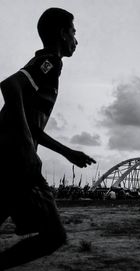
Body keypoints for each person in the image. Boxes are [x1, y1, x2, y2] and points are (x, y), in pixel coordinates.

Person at [0, 8, 96, 269]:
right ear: (63, 33)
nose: (76, 39)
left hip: (8, 157)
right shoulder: (50, 62)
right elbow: (10, 85)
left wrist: (66, 152)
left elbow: (30, 125)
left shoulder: (51, 64)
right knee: (53, 236)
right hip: (15, 161)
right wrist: (27, 149)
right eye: (74, 32)